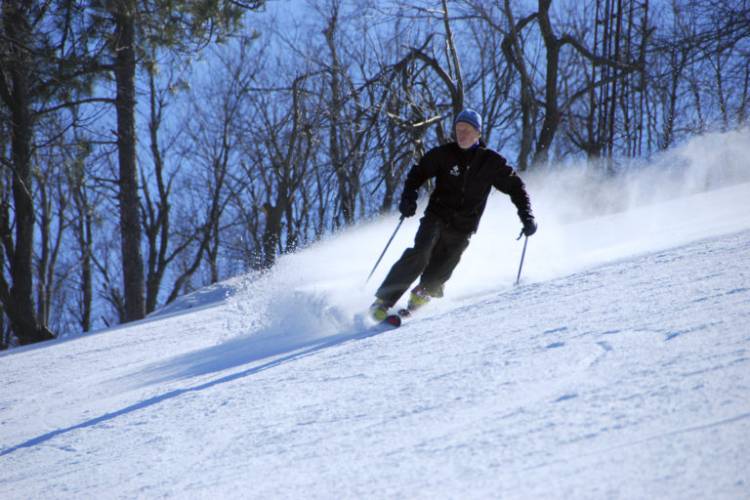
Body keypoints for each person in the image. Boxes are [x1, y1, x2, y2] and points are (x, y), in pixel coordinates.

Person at [369, 108, 537, 321]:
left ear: (478, 133)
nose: (462, 134)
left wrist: (527, 216)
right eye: (458, 129)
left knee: (448, 260)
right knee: (421, 253)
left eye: (467, 130)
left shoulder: (490, 162)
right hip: (437, 216)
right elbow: (417, 173)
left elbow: (516, 187)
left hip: (464, 224)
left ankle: (422, 294)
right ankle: (383, 301)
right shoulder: (444, 154)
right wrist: (408, 198)